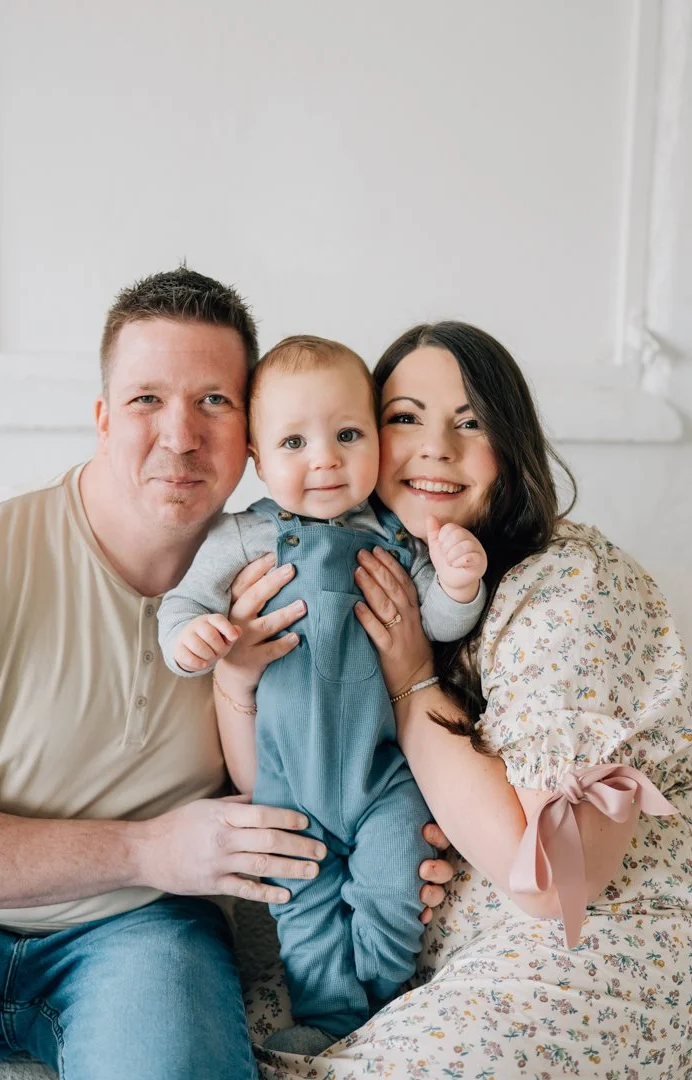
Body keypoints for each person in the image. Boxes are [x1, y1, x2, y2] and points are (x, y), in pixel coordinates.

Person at [0, 269, 451, 1080]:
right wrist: (144, 849)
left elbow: (347, 756)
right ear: (100, 419)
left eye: (214, 402)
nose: (181, 435)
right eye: (146, 399)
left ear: (253, 437)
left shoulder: (294, 568)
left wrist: (413, 841)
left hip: (137, 938)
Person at [235, 322, 692, 1078]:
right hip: (422, 941)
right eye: (405, 416)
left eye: (470, 422)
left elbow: (558, 880)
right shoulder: (372, 566)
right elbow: (274, 783)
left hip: (598, 942)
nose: (435, 448)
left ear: (512, 445)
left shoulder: (568, 586)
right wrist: (232, 675)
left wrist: (413, 680)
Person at [157, 335, 488, 1055]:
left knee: (397, 888)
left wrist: (460, 581)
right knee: (301, 910)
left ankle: (384, 995)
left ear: (373, 435)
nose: (326, 459)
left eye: (347, 435)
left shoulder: (396, 535)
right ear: (257, 458)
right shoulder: (244, 535)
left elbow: (438, 618)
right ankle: (332, 1019)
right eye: (295, 441)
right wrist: (191, 639)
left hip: (382, 776)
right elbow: (181, 604)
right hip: (287, 787)